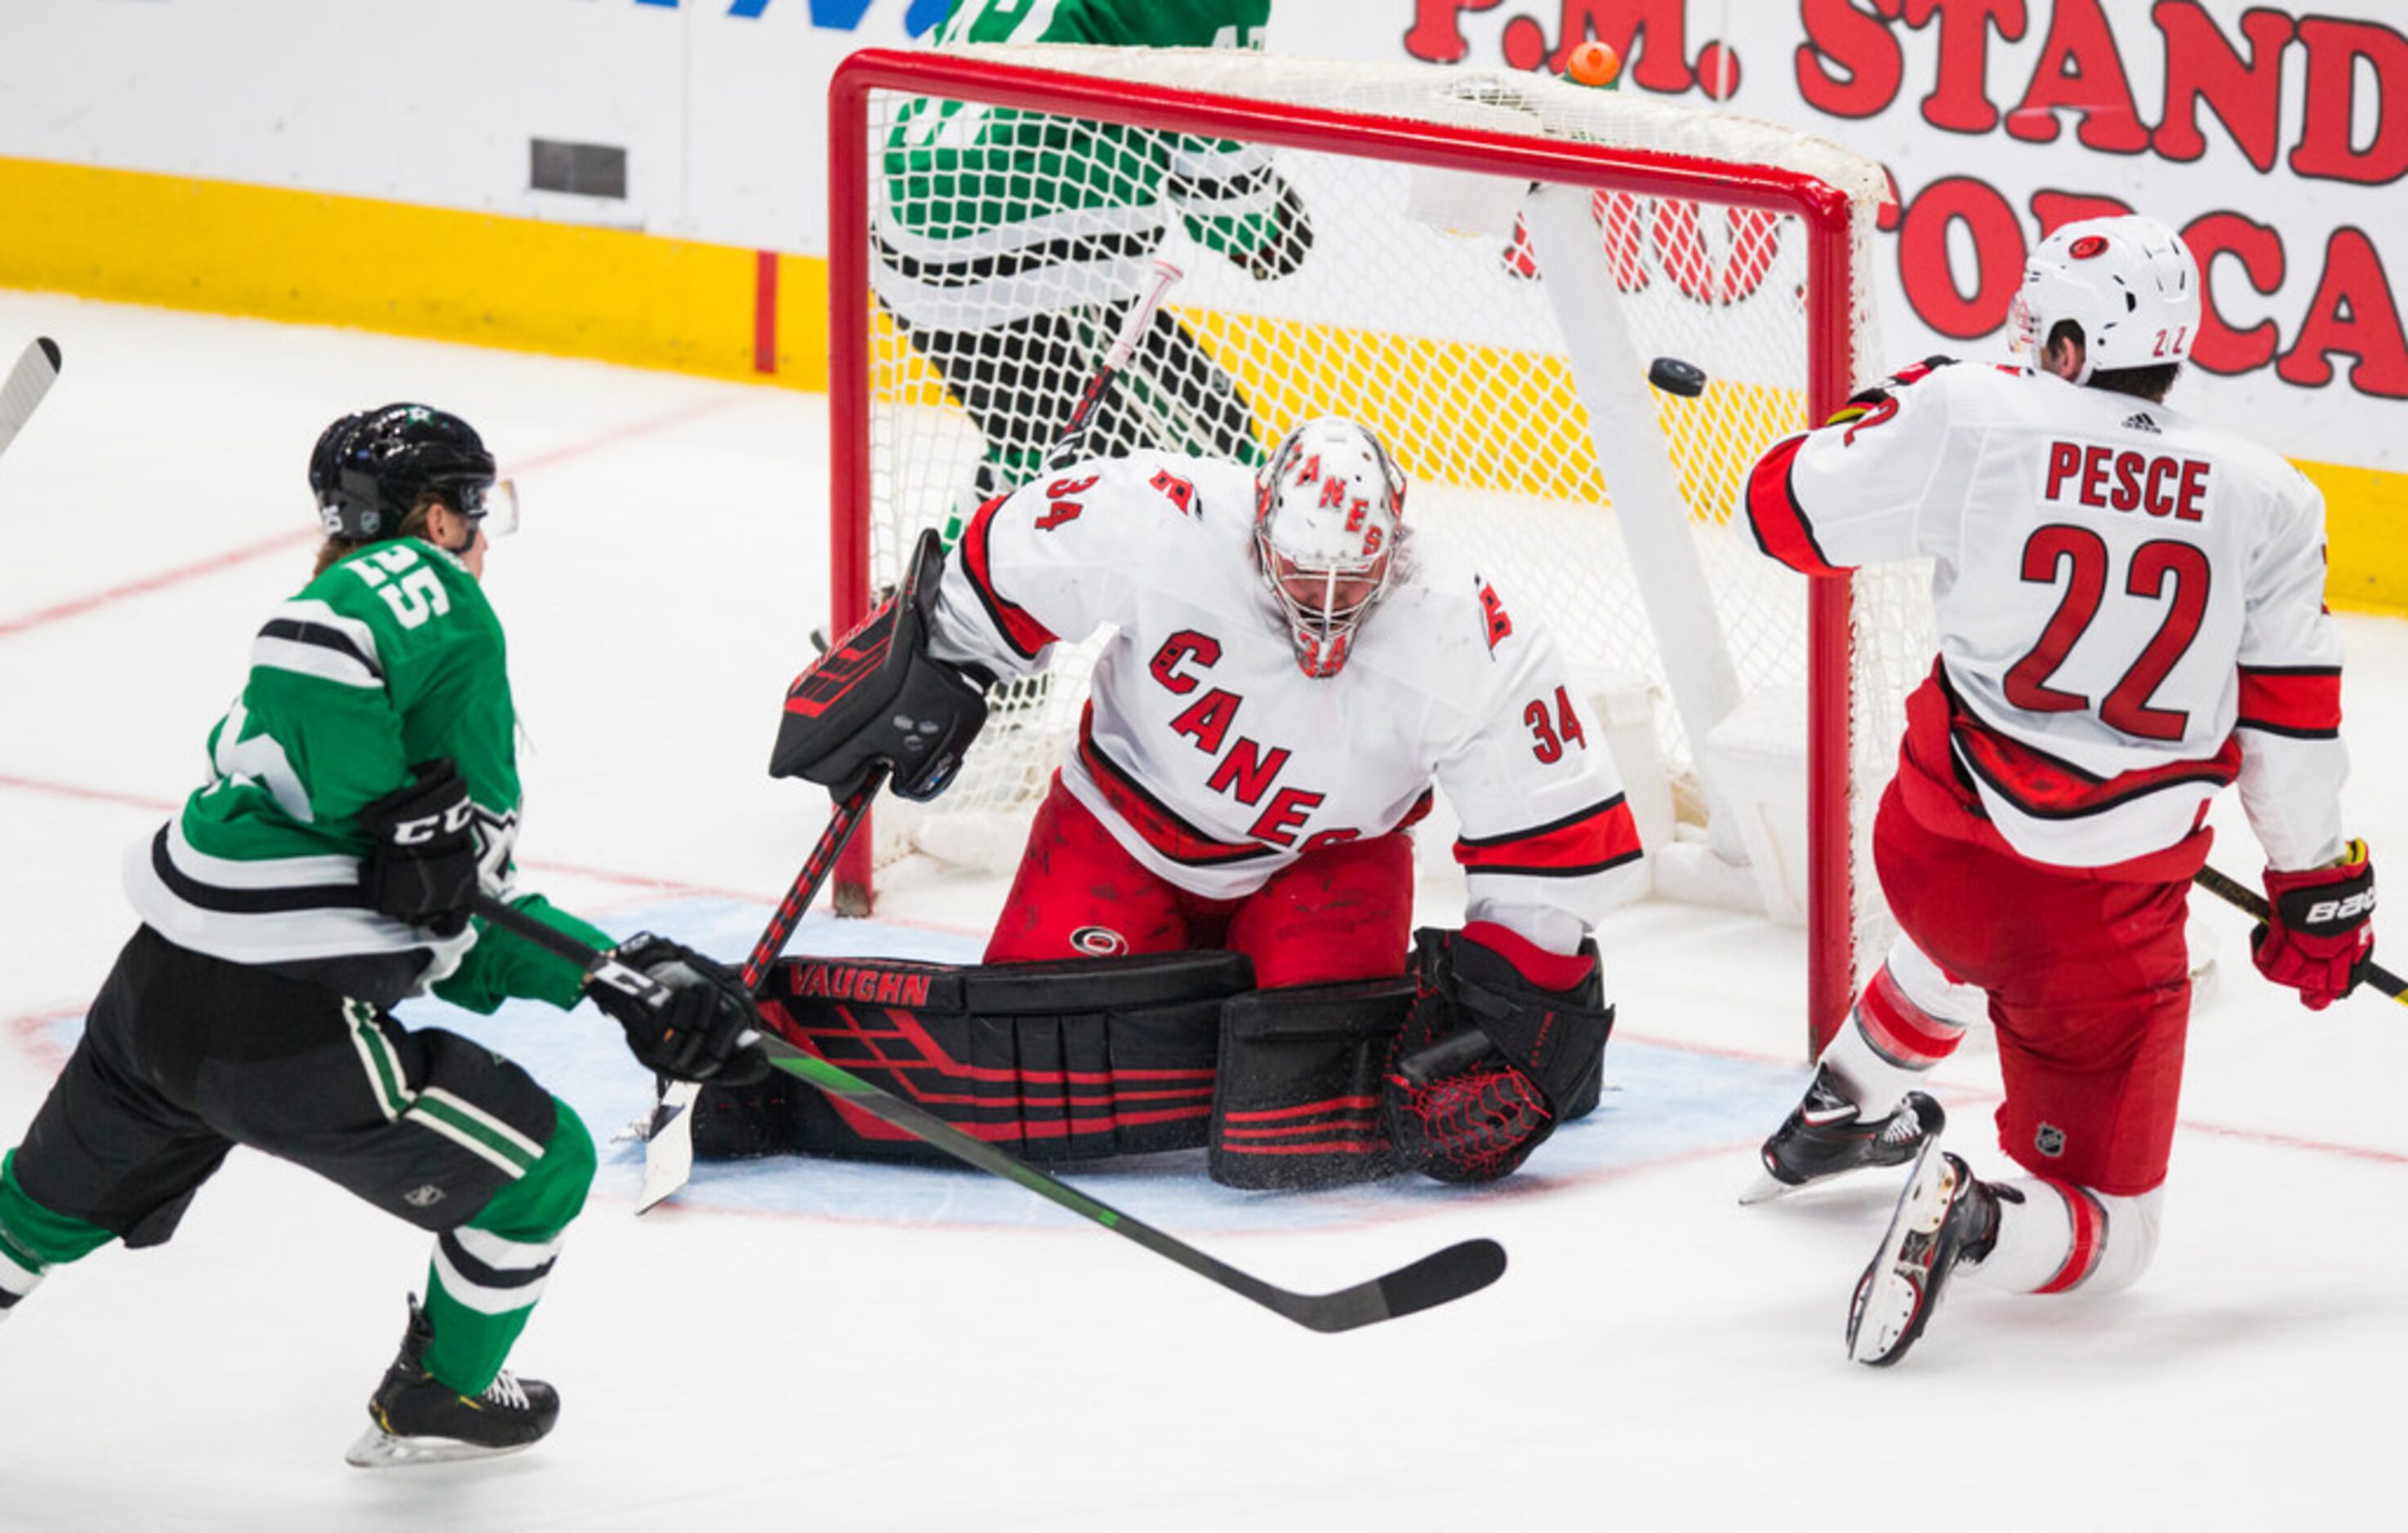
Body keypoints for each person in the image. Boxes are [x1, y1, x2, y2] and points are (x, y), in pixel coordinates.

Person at [0, 404, 765, 1464]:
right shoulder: (419, 588)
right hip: (286, 1027)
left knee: (32, 1216)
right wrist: (584, 964)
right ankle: (440, 1391)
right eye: (475, 506)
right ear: (434, 518)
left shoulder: (330, 686)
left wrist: (607, 971)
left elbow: (443, 908)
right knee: (543, 1171)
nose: (484, 535)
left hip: (152, 997)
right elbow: (328, 643)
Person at [1737, 216, 2373, 1364]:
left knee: (1963, 934)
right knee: (2114, 1237)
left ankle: (1839, 1106)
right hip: (2093, 925)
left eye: (2040, 332)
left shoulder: (1972, 413)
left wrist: (1879, 411)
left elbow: (1776, 512)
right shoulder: (2270, 498)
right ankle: (1976, 1215)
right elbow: (2291, 737)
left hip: (1929, 855)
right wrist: (2316, 886)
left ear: (2072, 341)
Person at [773, 416, 1643, 1184]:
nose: (1329, 608)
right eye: (1305, 577)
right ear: (1259, 525)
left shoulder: (1469, 628)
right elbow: (1003, 562)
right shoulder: (1160, 519)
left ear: (1397, 541)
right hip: (1123, 833)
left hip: (1328, 864)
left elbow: (1549, 842)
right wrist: (936, 660)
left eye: (1355, 579)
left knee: (1300, 1139)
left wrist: (1521, 1012)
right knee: (1032, 1073)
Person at [875, 0, 1311, 526]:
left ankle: (934, 593)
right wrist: (1269, 232)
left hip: (912, 227)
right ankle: (944, 597)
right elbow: (1218, 173)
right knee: (1212, 453)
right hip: (1023, 260)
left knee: (1041, 450)